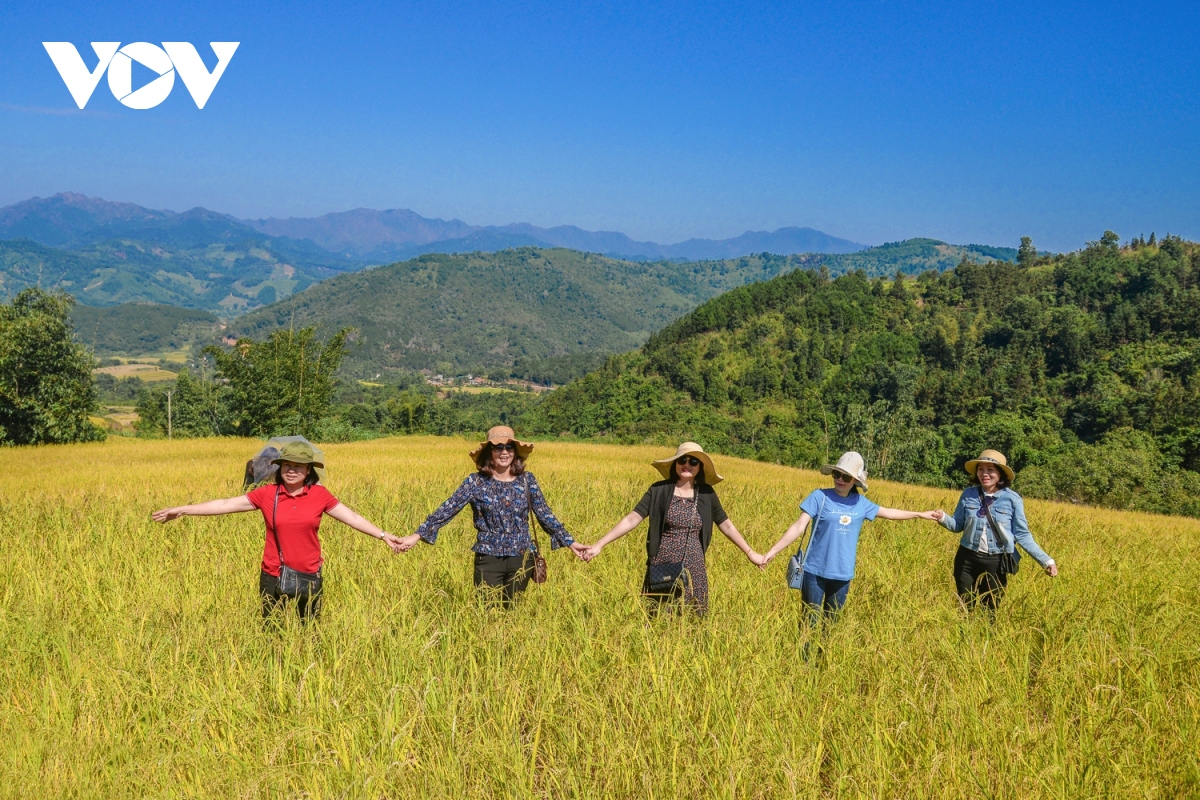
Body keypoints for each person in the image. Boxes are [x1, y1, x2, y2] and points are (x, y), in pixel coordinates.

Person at [151, 441, 404, 620]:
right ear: (279, 469)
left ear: (308, 471)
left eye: (298, 466)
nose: (291, 470)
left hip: (309, 574)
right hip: (273, 574)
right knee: (272, 631)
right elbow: (225, 504)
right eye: (286, 465)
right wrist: (182, 509)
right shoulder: (267, 494)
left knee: (309, 630)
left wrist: (384, 536)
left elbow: (353, 517)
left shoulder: (320, 495)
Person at [394, 426, 587, 607]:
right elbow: (448, 508)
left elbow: (545, 514)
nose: (504, 452)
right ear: (489, 453)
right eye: (498, 447)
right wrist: (417, 535)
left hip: (522, 556)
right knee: (486, 612)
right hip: (488, 557)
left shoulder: (527, 480)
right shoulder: (475, 482)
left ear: (515, 451)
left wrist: (571, 542)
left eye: (509, 447)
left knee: (512, 612)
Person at [582, 442, 763, 616]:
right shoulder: (659, 490)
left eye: (693, 462)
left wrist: (750, 553)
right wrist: (600, 544)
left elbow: (727, 525)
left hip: (694, 566)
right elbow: (632, 519)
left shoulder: (707, 494)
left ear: (699, 467)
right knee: (658, 615)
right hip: (663, 563)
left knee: (694, 617)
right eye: (682, 460)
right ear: (675, 463)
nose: (687, 465)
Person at [761, 451, 940, 625]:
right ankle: (805, 656)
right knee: (809, 623)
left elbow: (889, 512)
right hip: (813, 572)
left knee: (831, 626)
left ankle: (825, 656)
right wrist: (772, 551)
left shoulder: (860, 503)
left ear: (855, 480)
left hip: (842, 574)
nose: (840, 479)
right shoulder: (819, 496)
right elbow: (799, 526)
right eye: (837, 474)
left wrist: (919, 514)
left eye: (846, 477)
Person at [932, 449, 1058, 612]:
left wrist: (1046, 561)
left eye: (990, 469)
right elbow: (957, 525)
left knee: (989, 611)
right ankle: (965, 637)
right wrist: (942, 518)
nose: (984, 474)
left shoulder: (1012, 499)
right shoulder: (968, 494)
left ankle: (985, 637)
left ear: (1000, 474)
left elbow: (1022, 535)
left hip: (995, 562)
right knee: (965, 608)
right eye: (981, 469)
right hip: (966, 559)